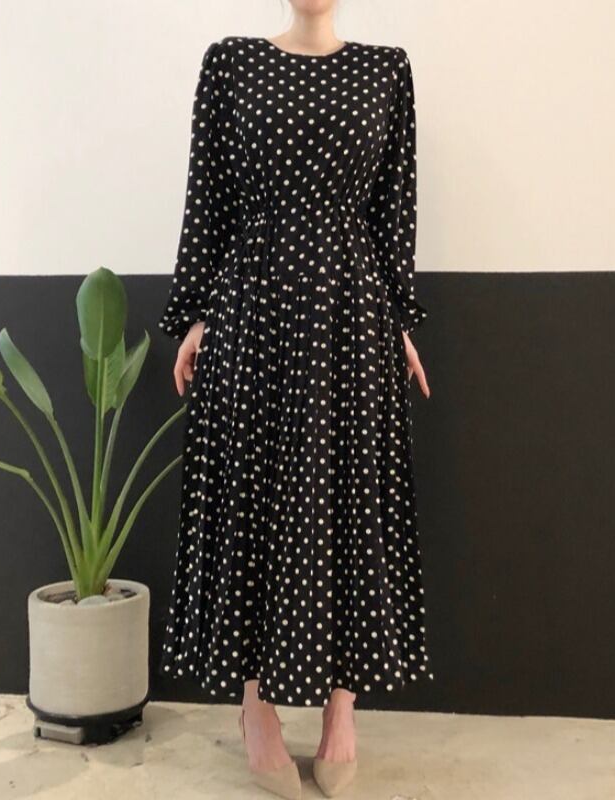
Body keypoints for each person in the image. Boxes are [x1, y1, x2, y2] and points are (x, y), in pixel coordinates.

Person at [157, 3, 432, 797]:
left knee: (351, 500)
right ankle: (256, 708)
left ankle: (344, 709)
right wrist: (196, 314)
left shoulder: (386, 69)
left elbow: (394, 210)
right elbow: (208, 195)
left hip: (351, 311)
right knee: (254, 495)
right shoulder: (231, 63)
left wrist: (399, 321)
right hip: (254, 306)